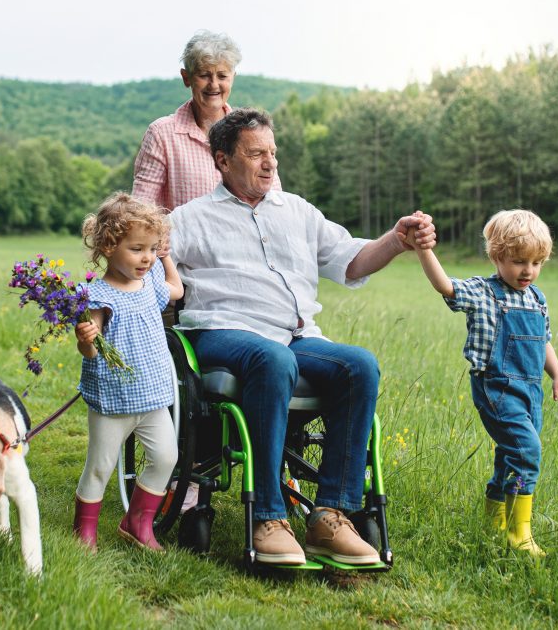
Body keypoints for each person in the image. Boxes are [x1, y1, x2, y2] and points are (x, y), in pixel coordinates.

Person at [169, 108, 436, 565]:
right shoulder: (191, 219)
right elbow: (144, 260)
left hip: (294, 338)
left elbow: (350, 260)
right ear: (222, 161)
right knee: (274, 359)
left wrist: (395, 240)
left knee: (358, 366)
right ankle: (268, 516)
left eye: (272, 153)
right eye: (256, 154)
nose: (270, 163)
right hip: (222, 335)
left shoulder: (297, 211)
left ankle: (331, 514)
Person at [411, 209, 558, 557]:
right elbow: (446, 286)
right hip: (497, 388)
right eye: (518, 261)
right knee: (526, 451)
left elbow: (543, 340)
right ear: (497, 256)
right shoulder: (484, 292)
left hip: (531, 391)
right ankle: (520, 534)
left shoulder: (536, 298)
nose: (528, 270)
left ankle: (493, 522)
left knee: (509, 454)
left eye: (536, 262)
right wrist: (424, 249)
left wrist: (557, 375)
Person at [71, 192, 185, 552]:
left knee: (167, 457)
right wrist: (86, 338)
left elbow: (176, 291)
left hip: (153, 396)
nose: (146, 257)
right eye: (138, 249)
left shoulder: (150, 282)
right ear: (107, 246)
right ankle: (84, 533)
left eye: (152, 248)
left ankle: (137, 522)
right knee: (100, 467)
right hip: (113, 399)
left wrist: (166, 261)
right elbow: (90, 351)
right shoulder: (98, 295)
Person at [132, 30, 281, 211]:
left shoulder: (253, 135)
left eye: (222, 76)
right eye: (204, 75)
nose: (214, 85)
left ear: (233, 77)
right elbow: (140, 211)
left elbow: (274, 202)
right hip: (184, 239)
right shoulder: (161, 135)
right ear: (186, 78)